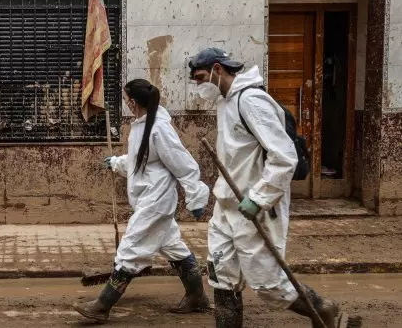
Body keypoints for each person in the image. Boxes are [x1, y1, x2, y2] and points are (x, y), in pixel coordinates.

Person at [188, 48, 348, 328]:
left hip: (256, 207)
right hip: (227, 205)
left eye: (201, 78)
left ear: (217, 69)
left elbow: (284, 157)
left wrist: (259, 198)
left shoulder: (251, 101)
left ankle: (322, 309)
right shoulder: (225, 102)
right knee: (222, 276)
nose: (199, 86)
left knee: (268, 284)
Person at [72, 79, 211, 323]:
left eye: (127, 100)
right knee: (173, 246)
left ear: (134, 102)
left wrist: (196, 197)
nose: (126, 104)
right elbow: (141, 161)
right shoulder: (141, 125)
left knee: (130, 247)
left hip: (156, 202)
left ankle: (102, 306)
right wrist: (117, 163)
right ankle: (196, 296)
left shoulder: (159, 129)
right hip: (149, 198)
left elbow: (185, 166)